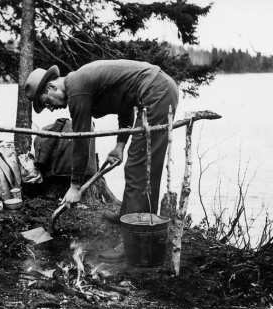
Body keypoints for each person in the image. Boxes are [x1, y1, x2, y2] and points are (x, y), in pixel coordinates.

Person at [25, 60, 179, 263]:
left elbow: (82, 139)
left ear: (52, 86)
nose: (51, 109)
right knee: (138, 166)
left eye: (46, 102)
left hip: (156, 93)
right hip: (154, 91)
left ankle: (132, 239)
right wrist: (120, 145)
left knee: (140, 167)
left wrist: (74, 186)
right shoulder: (79, 84)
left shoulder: (77, 91)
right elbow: (125, 104)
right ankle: (128, 216)